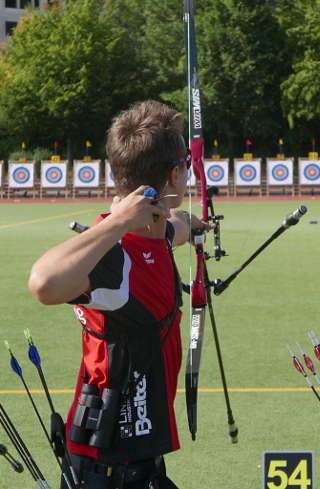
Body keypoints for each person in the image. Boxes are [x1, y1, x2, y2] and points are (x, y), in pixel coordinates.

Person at [28, 100, 209, 489]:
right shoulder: (114, 259)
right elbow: (44, 281)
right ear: (176, 174)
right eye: (185, 169)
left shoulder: (153, 233)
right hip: (106, 467)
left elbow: (170, 229)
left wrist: (191, 225)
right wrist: (119, 221)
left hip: (139, 457)